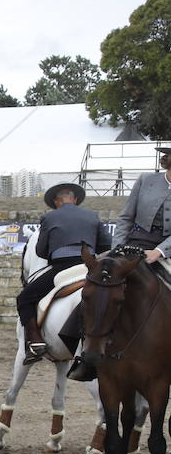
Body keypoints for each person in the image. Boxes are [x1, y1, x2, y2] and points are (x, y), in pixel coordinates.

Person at [70, 147, 171, 380]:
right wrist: (118, 248)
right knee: (95, 285)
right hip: (132, 244)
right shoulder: (146, 180)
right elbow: (126, 217)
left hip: (165, 251)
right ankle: (83, 354)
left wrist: (158, 252)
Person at [16, 183, 107, 364]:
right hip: (89, 267)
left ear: (57, 202)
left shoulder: (49, 217)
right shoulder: (93, 216)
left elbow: (41, 250)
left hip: (62, 267)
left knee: (24, 299)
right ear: (74, 200)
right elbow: (105, 246)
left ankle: (34, 341)